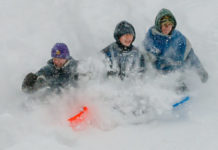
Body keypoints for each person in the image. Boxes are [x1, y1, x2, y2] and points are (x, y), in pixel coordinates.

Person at [143, 8, 208, 84]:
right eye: (165, 25)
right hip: (161, 76)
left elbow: (191, 56)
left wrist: (201, 71)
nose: (167, 28)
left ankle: (184, 93)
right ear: (159, 25)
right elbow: (146, 60)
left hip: (178, 73)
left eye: (170, 25)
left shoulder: (179, 38)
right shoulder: (152, 38)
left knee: (180, 84)